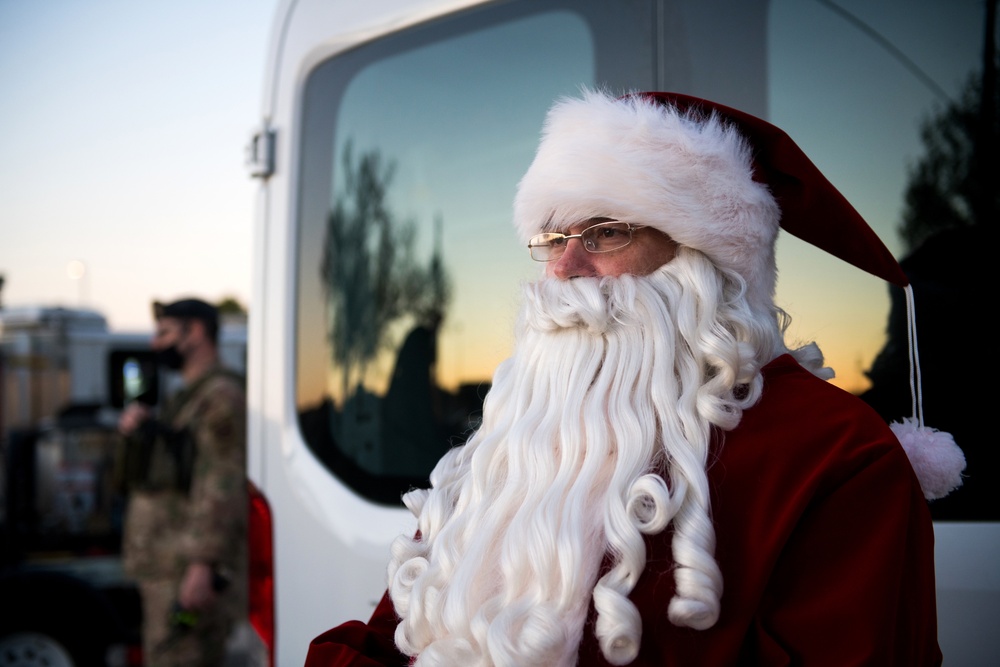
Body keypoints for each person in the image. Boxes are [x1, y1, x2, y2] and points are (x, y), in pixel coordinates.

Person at [305, 90, 961, 666]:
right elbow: (392, 634)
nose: (562, 269)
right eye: (551, 238)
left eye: (604, 233)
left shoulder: (837, 458)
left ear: (702, 260)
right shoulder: (515, 441)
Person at [118, 298, 247, 667]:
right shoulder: (187, 398)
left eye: (165, 332)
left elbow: (223, 484)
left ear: (196, 332)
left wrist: (202, 565)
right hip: (167, 564)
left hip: (184, 570)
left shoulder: (220, 398)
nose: (155, 344)